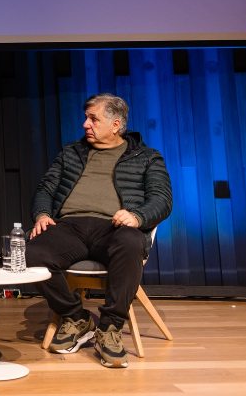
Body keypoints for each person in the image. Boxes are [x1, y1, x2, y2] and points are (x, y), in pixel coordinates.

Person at [26, 93, 172, 369]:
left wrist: (137, 216)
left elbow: (162, 199)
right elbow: (46, 188)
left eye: (93, 119)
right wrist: (43, 214)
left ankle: (110, 327)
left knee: (131, 243)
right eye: (86, 118)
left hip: (114, 228)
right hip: (70, 227)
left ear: (116, 125)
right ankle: (76, 318)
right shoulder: (71, 153)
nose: (85, 124)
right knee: (31, 252)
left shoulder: (146, 157)